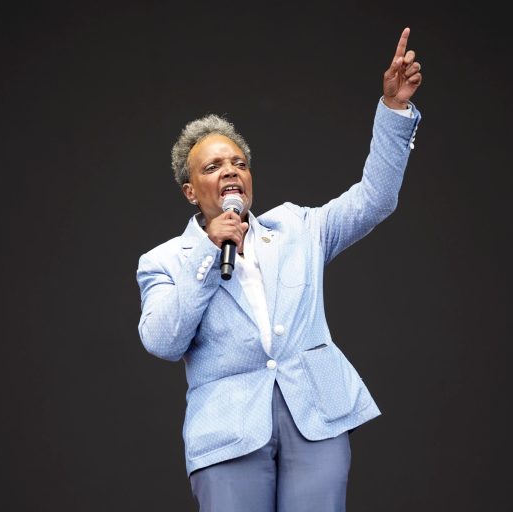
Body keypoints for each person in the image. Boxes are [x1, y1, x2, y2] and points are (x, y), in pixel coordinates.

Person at [136, 27, 422, 512]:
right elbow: (163, 341)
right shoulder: (164, 260)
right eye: (213, 167)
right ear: (190, 191)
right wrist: (208, 251)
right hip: (228, 433)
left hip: (315, 415)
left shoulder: (296, 227)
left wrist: (394, 110)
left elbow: (375, 199)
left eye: (238, 163)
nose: (230, 171)